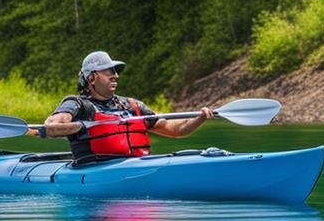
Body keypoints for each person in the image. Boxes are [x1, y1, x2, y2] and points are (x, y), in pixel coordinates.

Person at [43, 51, 213, 163]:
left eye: (116, 71)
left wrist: (200, 117)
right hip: (94, 171)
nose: (116, 76)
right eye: (109, 71)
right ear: (92, 78)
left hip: (138, 165)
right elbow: (52, 127)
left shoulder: (132, 106)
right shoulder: (79, 105)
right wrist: (80, 126)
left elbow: (176, 130)